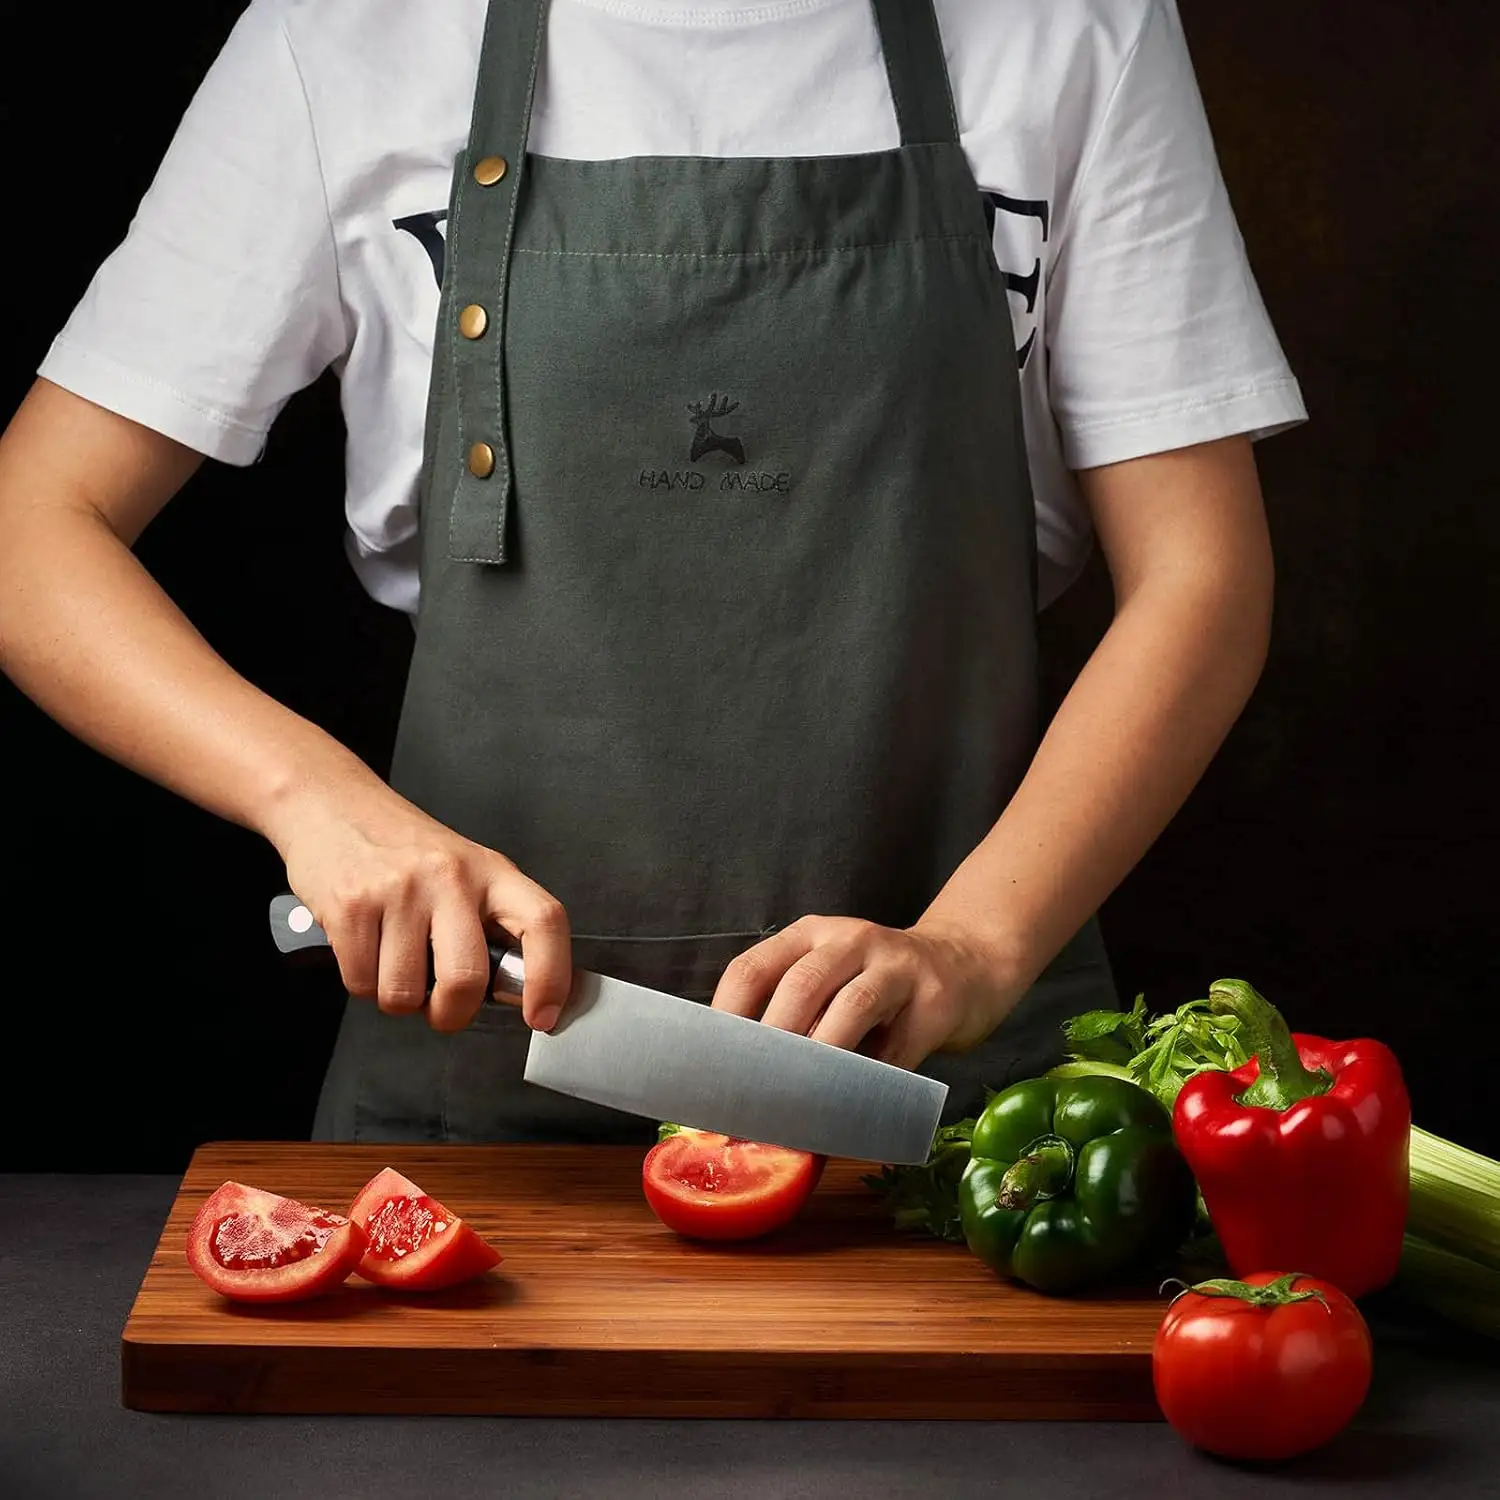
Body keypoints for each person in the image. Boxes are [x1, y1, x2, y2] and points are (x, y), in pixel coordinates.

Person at [0, 0, 1302, 1145]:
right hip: (480, 1071)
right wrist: (316, 802)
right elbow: (32, 525)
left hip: (948, 1106)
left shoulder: (1077, 32)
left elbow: (1202, 577)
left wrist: (972, 945)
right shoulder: (344, 42)